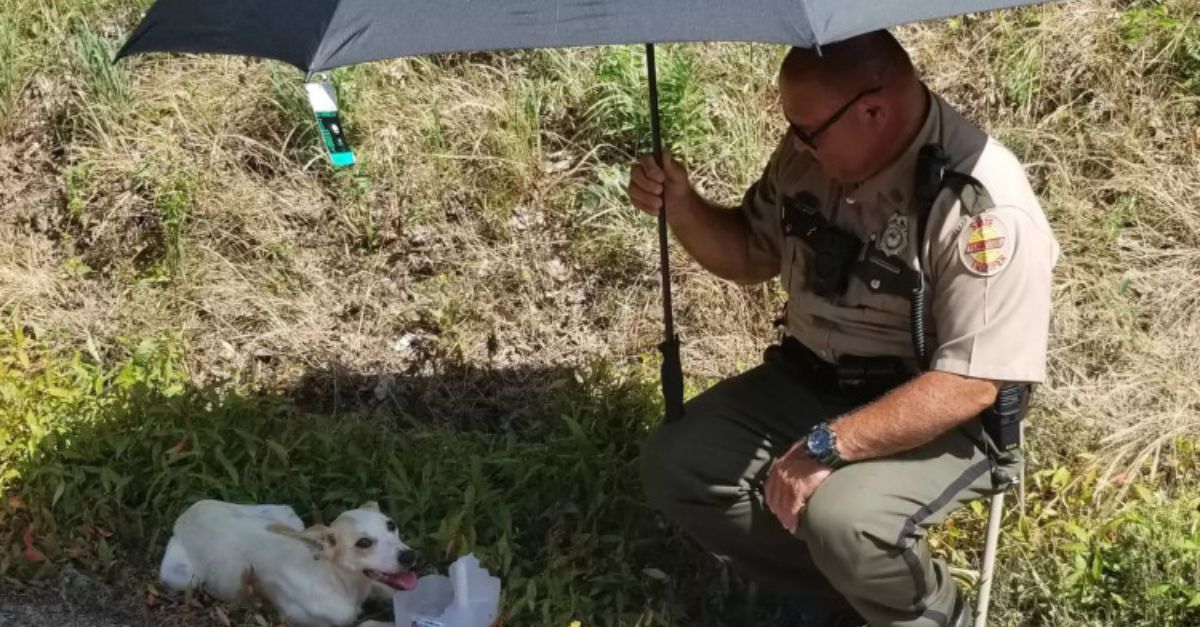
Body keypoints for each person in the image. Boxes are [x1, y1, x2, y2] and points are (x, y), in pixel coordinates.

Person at [630, 30, 1058, 627]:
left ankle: (934, 617)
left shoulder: (982, 203)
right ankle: (842, 602)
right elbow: (750, 254)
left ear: (874, 111)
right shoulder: (814, 153)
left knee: (843, 518)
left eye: (807, 131)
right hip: (808, 380)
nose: (795, 145)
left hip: (939, 414)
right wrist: (680, 203)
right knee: (680, 462)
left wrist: (828, 445)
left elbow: (974, 383)